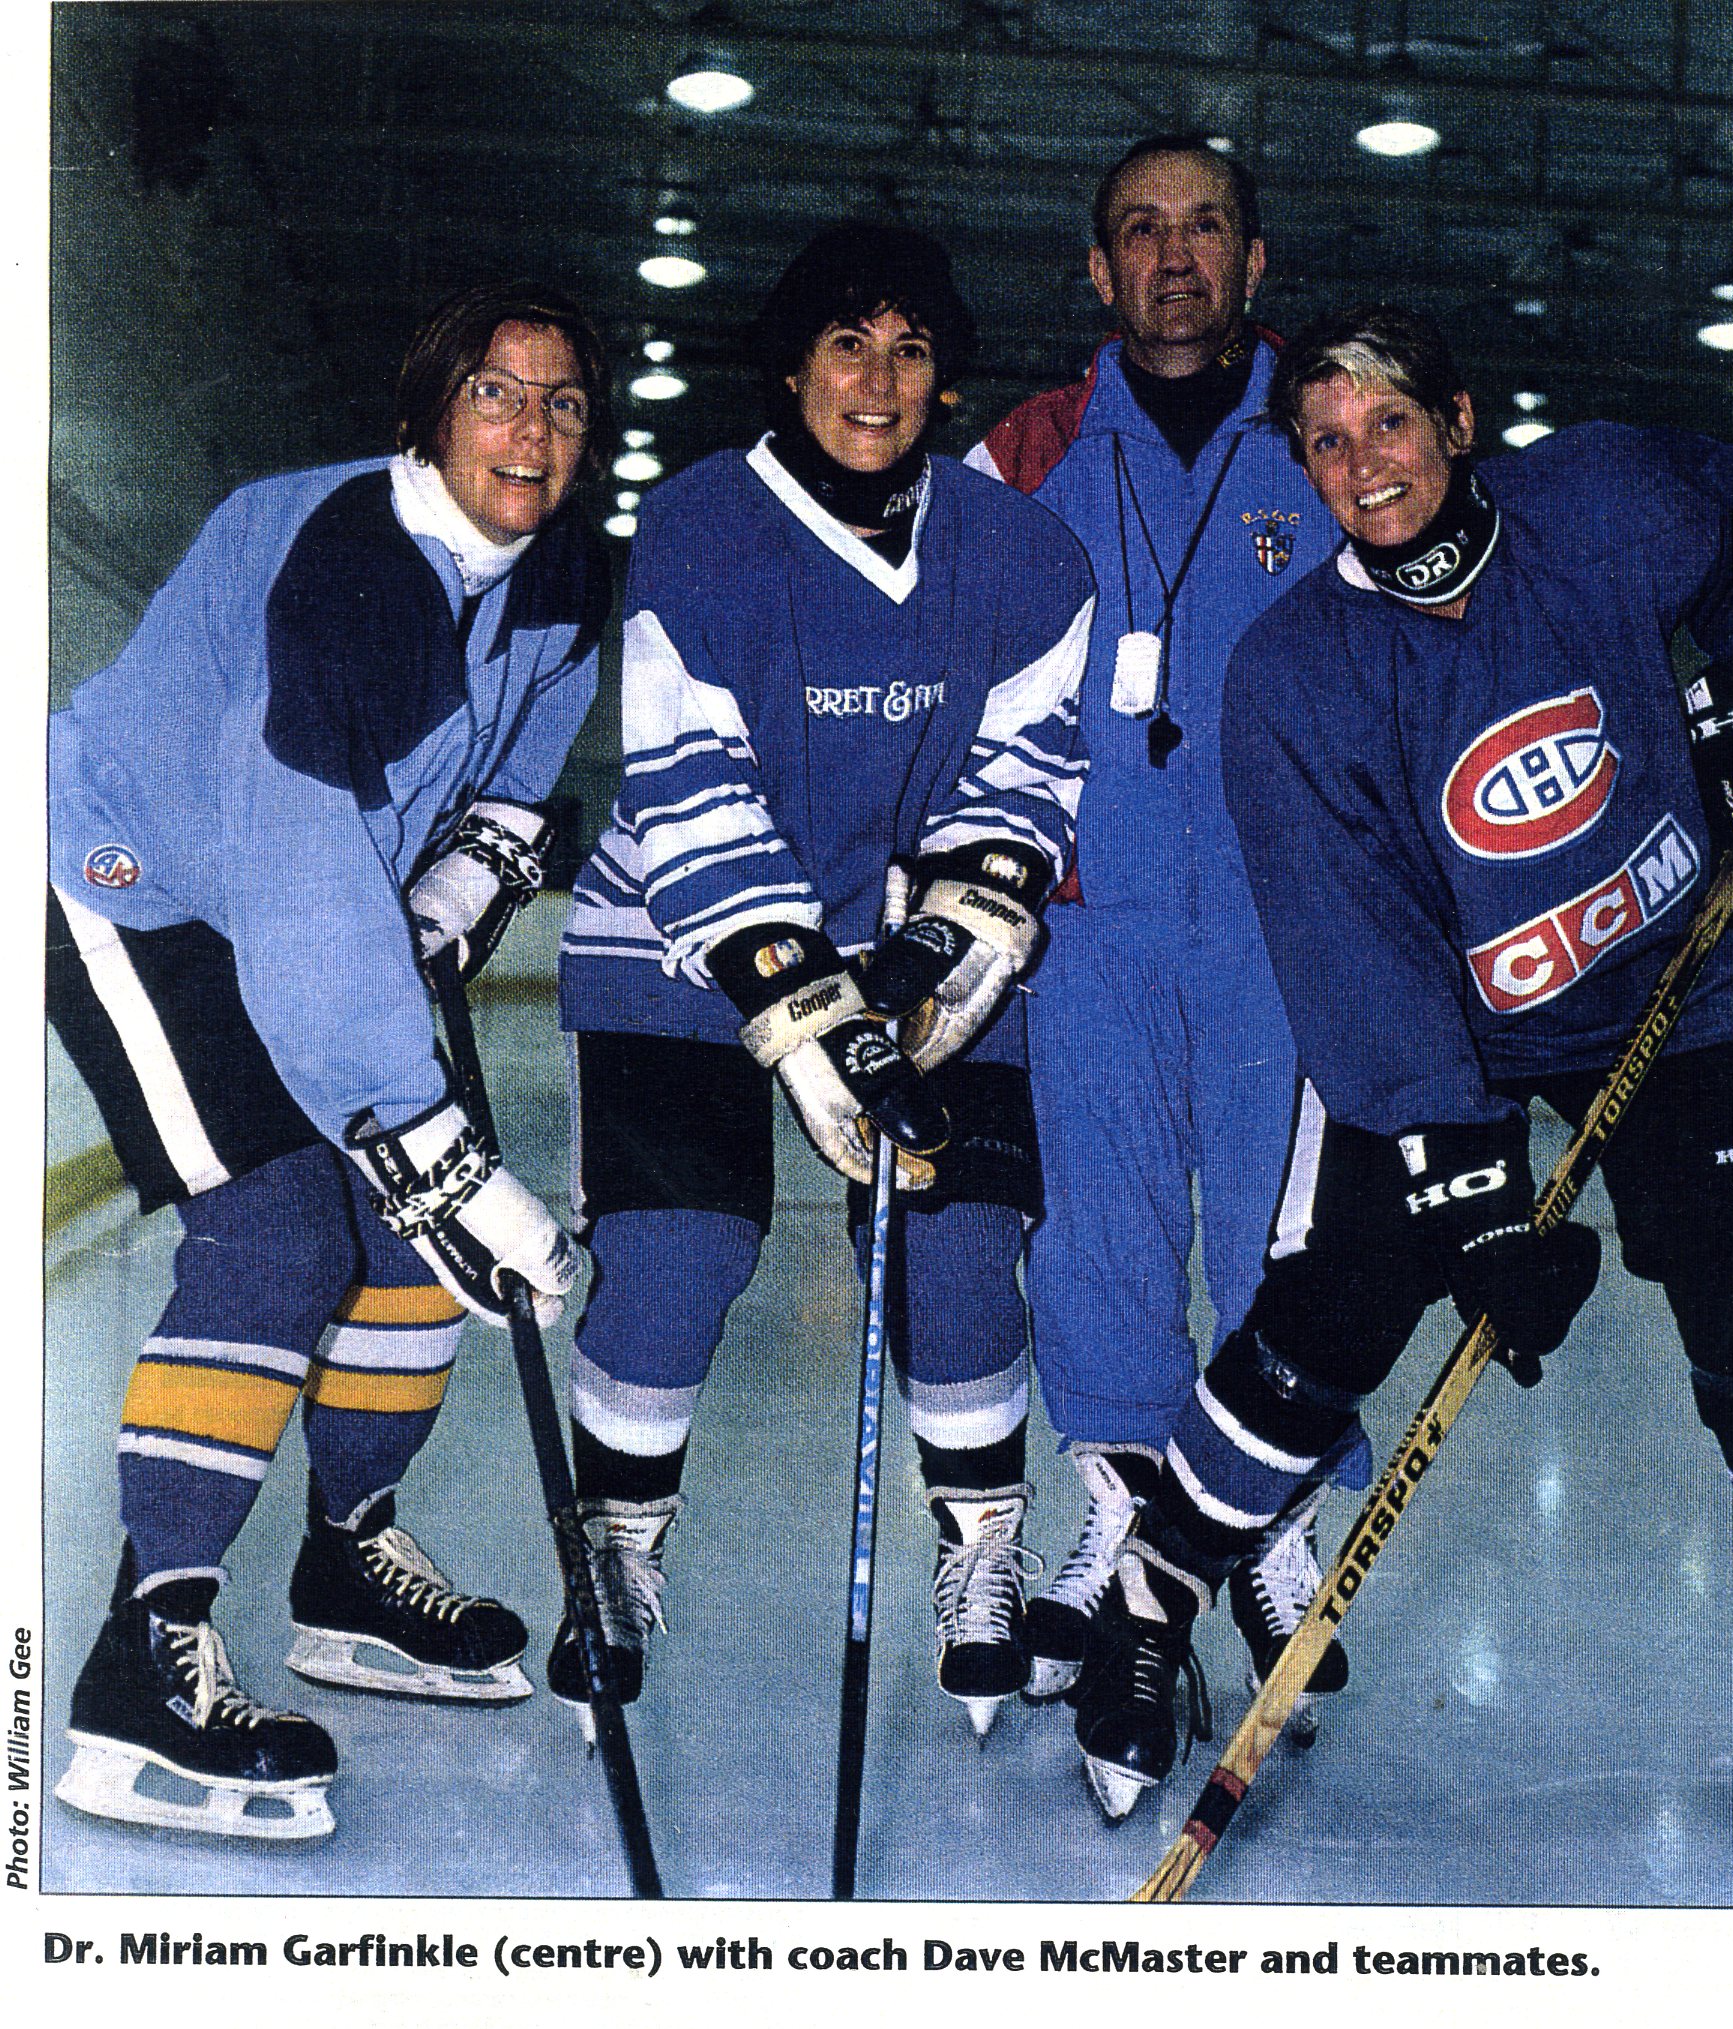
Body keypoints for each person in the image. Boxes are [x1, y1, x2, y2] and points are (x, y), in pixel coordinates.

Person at [1071, 301, 1733, 1819]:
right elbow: (1351, 943)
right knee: (1334, 1314)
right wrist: (1468, 1185)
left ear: (1457, 422)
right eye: (1323, 441)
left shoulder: (1607, 503)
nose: (1360, 463)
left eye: (1387, 424)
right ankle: (1153, 1594)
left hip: (1672, 971)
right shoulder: (1296, 677)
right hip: (1450, 1016)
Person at [47, 281, 614, 1840]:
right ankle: (136, 1663)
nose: (531, 426)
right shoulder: (340, 566)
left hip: (307, 898)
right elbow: (295, 884)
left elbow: (522, 759)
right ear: (426, 412)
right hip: (137, 886)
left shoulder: (564, 567)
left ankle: (344, 1558)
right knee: (286, 1225)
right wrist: (440, 1153)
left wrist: (468, 877)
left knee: (409, 1253)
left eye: (564, 403)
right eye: (497, 392)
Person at [555, 223, 1094, 1740]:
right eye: (847, 344)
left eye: (911, 348)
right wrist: (809, 1024)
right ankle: (616, 1548)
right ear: (791, 366)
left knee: (960, 1243)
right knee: (678, 1258)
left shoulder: (1025, 555)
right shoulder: (703, 524)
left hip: (909, 955)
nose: (879, 377)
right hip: (676, 947)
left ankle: (982, 1549)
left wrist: (940, 964)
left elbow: (1023, 780)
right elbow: (690, 788)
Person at [965, 135, 1343, 1711]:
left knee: (1288, 1237)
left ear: (1254, 264)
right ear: (1099, 270)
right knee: (1100, 1239)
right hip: (1088, 916)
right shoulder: (1025, 449)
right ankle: (1121, 1513)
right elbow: (942, 647)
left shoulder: (1335, 435)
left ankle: (1266, 1522)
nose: (1174, 255)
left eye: (1205, 229)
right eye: (1141, 230)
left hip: (1288, 921)